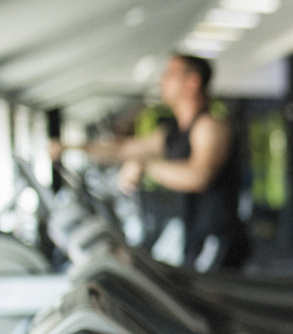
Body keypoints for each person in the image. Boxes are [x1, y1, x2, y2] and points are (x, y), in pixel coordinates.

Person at [65, 53, 249, 272]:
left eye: (170, 75)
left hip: (215, 242)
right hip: (191, 240)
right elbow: (123, 148)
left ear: (193, 82)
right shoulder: (173, 133)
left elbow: (199, 175)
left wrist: (146, 165)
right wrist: (68, 147)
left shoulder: (209, 127)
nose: (161, 82)